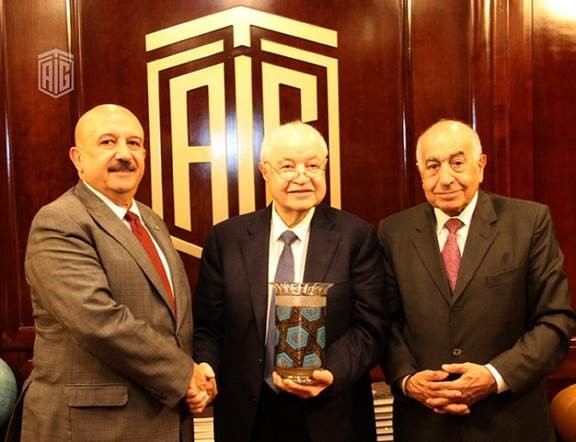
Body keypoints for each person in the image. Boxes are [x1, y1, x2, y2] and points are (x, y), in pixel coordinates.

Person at [6, 104, 215, 442]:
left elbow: (172, 321)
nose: (124, 154)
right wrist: (183, 375)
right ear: (77, 158)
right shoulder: (60, 220)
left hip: (163, 420)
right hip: (91, 426)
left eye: (134, 143)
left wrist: (196, 375)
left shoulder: (150, 221)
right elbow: (96, 320)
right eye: (107, 142)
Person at [378, 119, 576, 441]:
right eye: (433, 166)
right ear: (420, 172)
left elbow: (555, 321)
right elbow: (385, 322)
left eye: (457, 163)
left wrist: (493, 376)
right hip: (425, 424)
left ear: (480, 165)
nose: (446, 178)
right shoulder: (393, 232)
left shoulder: (529, 223)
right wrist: (408, 380)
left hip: (510, 423)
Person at [193, 121, 388, 442]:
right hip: (248, 416)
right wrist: (205, 366)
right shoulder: (227, 239)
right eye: (287, 166)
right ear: (265, 171)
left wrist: (329, 373)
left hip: (332, 414)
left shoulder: (356, 236)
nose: (301, 177)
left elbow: (371, 327)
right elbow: (207, 327)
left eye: (312, 165)